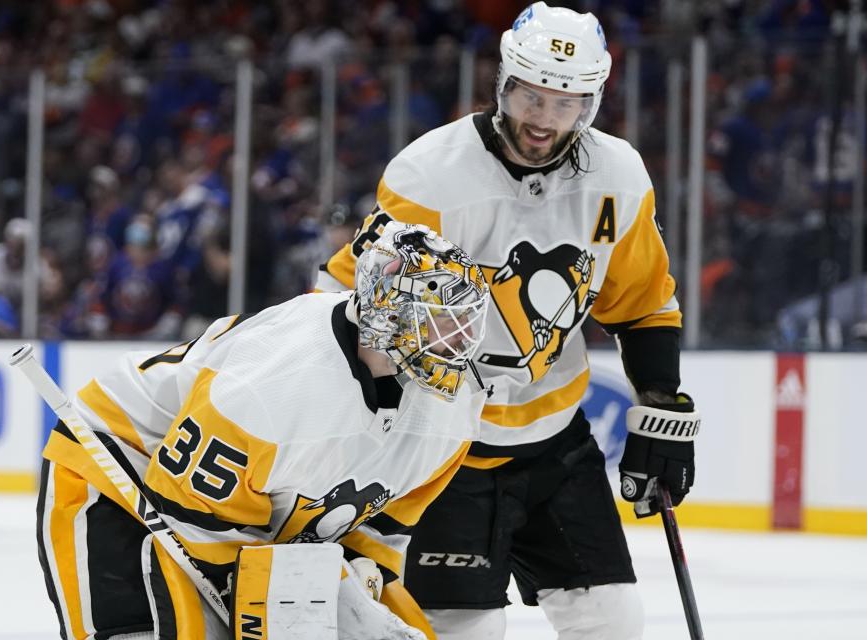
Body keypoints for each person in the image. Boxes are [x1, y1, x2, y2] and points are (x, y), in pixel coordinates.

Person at [316, 4, 701, 639]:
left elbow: (641, 303)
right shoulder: (431, 174)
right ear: (505, 83)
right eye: (532, 95)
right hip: (445, 448)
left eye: (566, 102)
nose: (544, 120)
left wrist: (661, 401)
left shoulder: (619, 178)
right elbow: (351, 293)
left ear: (591, 102)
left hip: (556, 444)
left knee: (614, 625)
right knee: (465, 631)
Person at [37, 222, 491, 640]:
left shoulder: (456, 409)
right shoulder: (274, 386)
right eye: (440, 318)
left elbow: (378, 535)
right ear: (386, 311)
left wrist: (355, 589)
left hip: (237, 507)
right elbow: (190, 509)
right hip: (121, 471)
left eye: (466, 321)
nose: (460, 339)